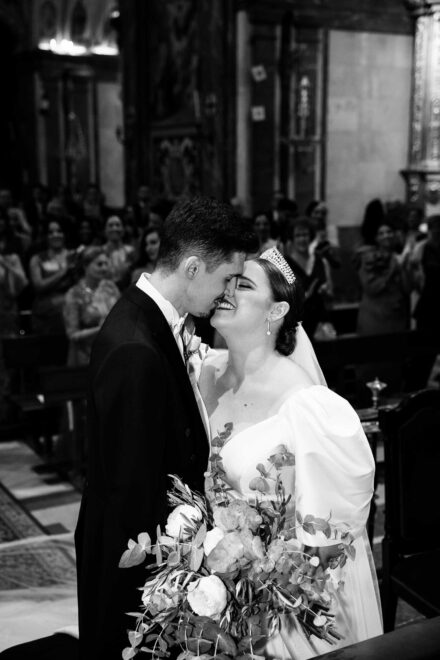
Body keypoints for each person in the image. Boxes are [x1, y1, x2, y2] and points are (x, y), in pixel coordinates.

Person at [199, 247, 383, 658]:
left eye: (243, 285)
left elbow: (330, 542)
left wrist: (268, 579)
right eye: (226, 280)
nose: (226, 291)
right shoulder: (204, 371)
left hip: (279, 610)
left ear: (276, 310)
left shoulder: (309, 406)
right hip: (209, 589)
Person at [63, 247, 119, 366]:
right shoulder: (74, 294)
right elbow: (72, 334)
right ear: (85, 266)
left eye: (106, 263)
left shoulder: (111, 287)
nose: (104, 268)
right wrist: (101, 329)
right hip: (86, 358)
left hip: (113, 353)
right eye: (99, 264)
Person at [356, 221, 411, 335]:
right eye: (381, 233)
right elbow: (371, 288)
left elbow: (407, 289)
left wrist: (403, 267)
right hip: (376, 316)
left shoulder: (399, 257)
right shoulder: (369, 257)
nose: (386, 235)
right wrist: (392, 269)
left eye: (389, 232)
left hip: (397, 317)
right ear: (376, 238)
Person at [285, 217, 333, 339]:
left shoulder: (321, 261)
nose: (302, 239)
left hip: (320, 324)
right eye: (298, 235)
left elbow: (331, 294)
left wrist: (325, 292)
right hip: (297, 327)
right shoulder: (285, 265)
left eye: (305, 235)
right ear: (292, 238)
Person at [29, 218, 77, 335]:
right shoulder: (37, 259)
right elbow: (39, 286)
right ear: (45, 236)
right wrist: (64, 272)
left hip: (72, 310)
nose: (55, 235)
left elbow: (82, 284)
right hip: (45, 313)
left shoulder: (74, 256)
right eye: (51, 232)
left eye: (59, 231)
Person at [102, 215, 135, 290]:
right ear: (105, 230)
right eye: (110, 225)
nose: (114, 228)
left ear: (123, 229)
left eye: (118, 225)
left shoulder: (131, 251)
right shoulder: (100, 252)